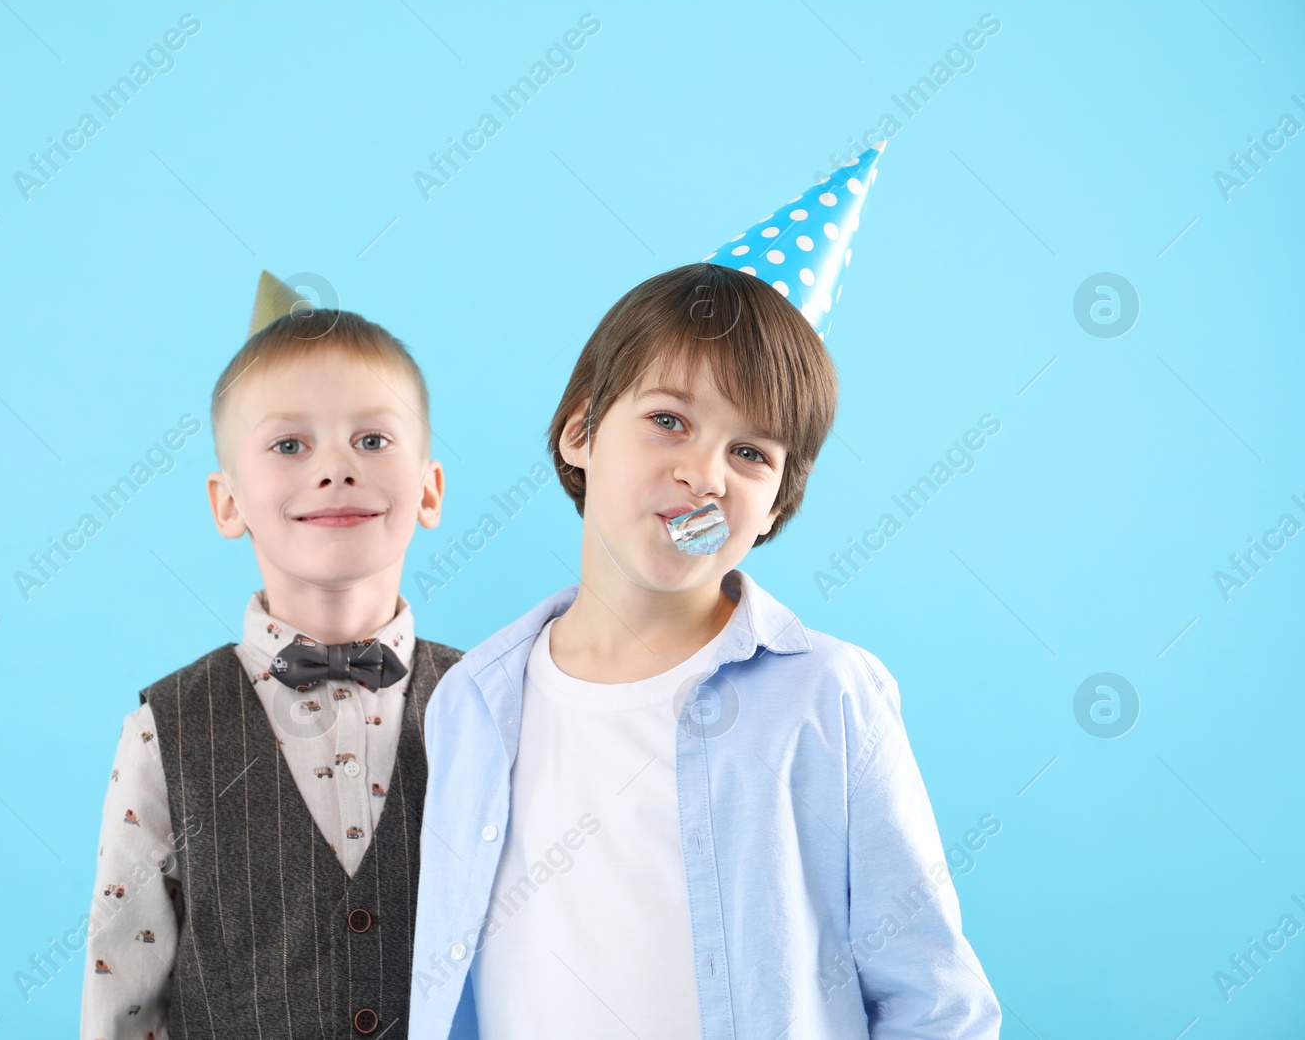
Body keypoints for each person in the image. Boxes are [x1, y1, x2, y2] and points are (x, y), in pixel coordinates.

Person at [408, 261, 1001, 1039]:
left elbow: (937, 1002)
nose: (704, 475)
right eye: (669, 421)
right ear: (580, 431)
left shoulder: (829, 696)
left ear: (774, 507)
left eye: (751, 453)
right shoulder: (472, 700)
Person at [81, 273, 463, 1039]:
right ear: (227, 502)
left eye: (373, 439)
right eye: (290, 444)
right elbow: (123, 988)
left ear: (429, 489)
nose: (335, 468)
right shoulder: (167, 729)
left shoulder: (489, 700)